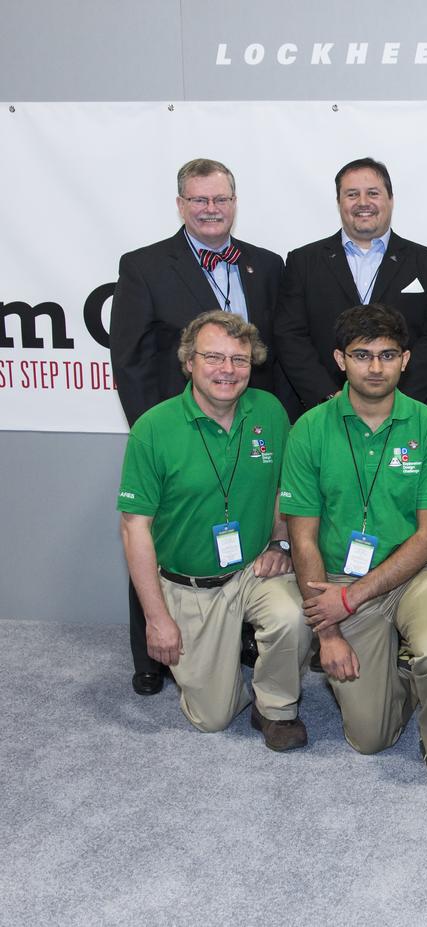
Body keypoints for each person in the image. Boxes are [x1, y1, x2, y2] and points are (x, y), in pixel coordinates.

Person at [111, 158, 286, 696]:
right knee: (162, 538)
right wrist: (158, 433)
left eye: (221, 200)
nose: (211, 210)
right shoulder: (144, 266)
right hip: (181, 431)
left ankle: (240, 638)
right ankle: (151, 653)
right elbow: (130, 357)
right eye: (200, 200)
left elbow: (270, 355)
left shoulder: (266, 264)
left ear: (235, 203)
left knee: (247, 533)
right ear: (181, 205)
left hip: (243, 423)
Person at [279, 303, 427, 791]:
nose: (375, 367)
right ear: (340, 359)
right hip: (339, 582)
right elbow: (302, 538)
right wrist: (329, 634)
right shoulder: (309, 429)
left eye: (387, 355)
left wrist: (353, 598)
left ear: (405, 360)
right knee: (370, 738)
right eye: (362, 355)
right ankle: (405, 673)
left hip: (416, 572)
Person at [117, 311, 309, 750]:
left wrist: (280, 539)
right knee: (213, 717)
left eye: (239, 360)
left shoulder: (270, 411)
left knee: (293, 614)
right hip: (190, 585)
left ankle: (274, 707)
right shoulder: (153, 429)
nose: (228, 370)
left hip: (252, 570)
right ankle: (227, 674)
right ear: (189, 361)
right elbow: (134, 529)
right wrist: (157, 619)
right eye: (214, 357)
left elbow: (286, 487)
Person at [275, 158, 427, 415]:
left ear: (390, 199)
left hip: (408, 412)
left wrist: (395, 399)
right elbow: (290, 337)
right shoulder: (303, 262)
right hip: (326, 413)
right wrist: (331, 398)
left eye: (373, 193)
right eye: (352, 194)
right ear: (339, 202)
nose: (363, 203)